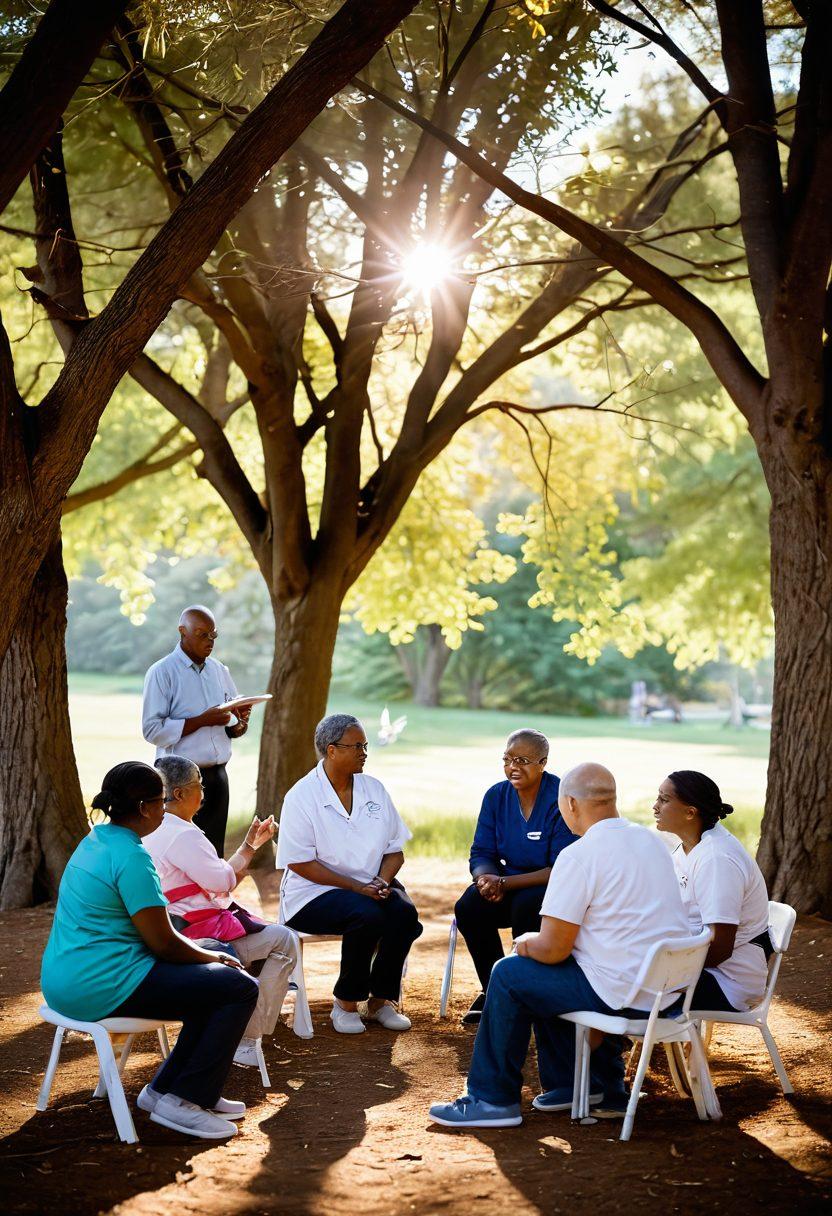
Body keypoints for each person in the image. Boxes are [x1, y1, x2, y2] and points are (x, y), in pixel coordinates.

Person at [428, 763, 690, 1129]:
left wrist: (525, 944)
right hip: (668, 987)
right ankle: (581, 1084)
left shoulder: (579, 855)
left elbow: (553, 949)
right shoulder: (653, 842)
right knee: (552, 973)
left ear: (568, 803)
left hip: (623, 990)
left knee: (510, 974)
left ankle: (491, 1099)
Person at [40, 762, 259, 1140]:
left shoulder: (94, 839)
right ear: (143, 808)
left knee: (211, 980)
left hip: (66, 978)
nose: (164, 810)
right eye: (160, 802)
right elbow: (163, 943)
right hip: (102, 985)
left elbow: (157, 933)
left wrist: (204, 952)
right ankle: (185, 1100)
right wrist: (213, 956)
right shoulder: (132, 857)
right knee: (239, 987)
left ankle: (165, 1091)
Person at [145, 754, 298, 1068]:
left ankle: (243, 1027)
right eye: (199, 784)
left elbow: (219, 882)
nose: (204, 791)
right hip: (196, 934)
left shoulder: (151, 828)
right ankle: (246, 1038)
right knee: (285, 941)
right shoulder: (183, 834)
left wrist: (248, 847)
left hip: (168, 930)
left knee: (269, 938)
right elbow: (221, 882)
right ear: (179, 794)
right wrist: (247, 852)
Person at [276, 713, 423, 1035]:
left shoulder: (374, 789)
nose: (364, 752)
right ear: (331, 750)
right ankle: (345, 1003)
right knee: (367, 916)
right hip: (313, 892)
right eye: (357, 746)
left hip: (370, 885)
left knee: (404, 914)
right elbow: (299, 863)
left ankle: (380, 1002)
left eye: (366, 746)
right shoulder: (302, 796)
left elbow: (395, 849)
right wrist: (357, 887)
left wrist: (383, 881)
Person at [455, 728, 576, 1024]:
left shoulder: (559, 799)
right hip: (504, 883)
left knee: (527, 907)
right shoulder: (496, 795)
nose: (513, 767)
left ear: (542, 762)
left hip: (545, 886)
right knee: (469, 905)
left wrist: (504, 883)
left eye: (522, 760)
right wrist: (485, 880)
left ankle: (527, 996)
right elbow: (481, 851)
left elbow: (560, 868)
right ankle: (494, 990)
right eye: (507, 759)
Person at [653, 770, 770, 1012]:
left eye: (664, 800)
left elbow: (720, 948)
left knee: (620, 984)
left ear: (690, 812)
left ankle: (613, 1048)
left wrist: (664, 970)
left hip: (726, 981)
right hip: (700, 966)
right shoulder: (688, 847)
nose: (655, 807)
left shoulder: (716, 859)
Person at [142, 604, 251, 856]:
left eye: (213, 635)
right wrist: (203, 719)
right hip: (178, 782)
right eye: (202, 634)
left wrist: (240, 722)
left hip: (217, 776)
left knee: (214, 853)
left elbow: (230, 728)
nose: (210, 641)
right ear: (183, 631)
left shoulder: (219, 670)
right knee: (181, 854)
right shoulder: (162, 672)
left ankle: (215, 897)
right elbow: (151, 730)